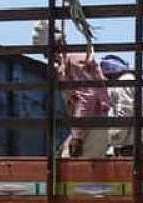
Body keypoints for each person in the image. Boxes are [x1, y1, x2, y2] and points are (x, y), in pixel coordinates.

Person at [32, 21, 110, 158]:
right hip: (87, 124)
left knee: (75, 171)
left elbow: (87, 97)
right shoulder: (65, 65)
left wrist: (77, 137)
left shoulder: (74, 61)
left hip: (94, 125)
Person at [100, 56, 143, 158]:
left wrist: (113, 138)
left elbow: (125, 113)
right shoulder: (133, 81)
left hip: (129, 143)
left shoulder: (122, 85)